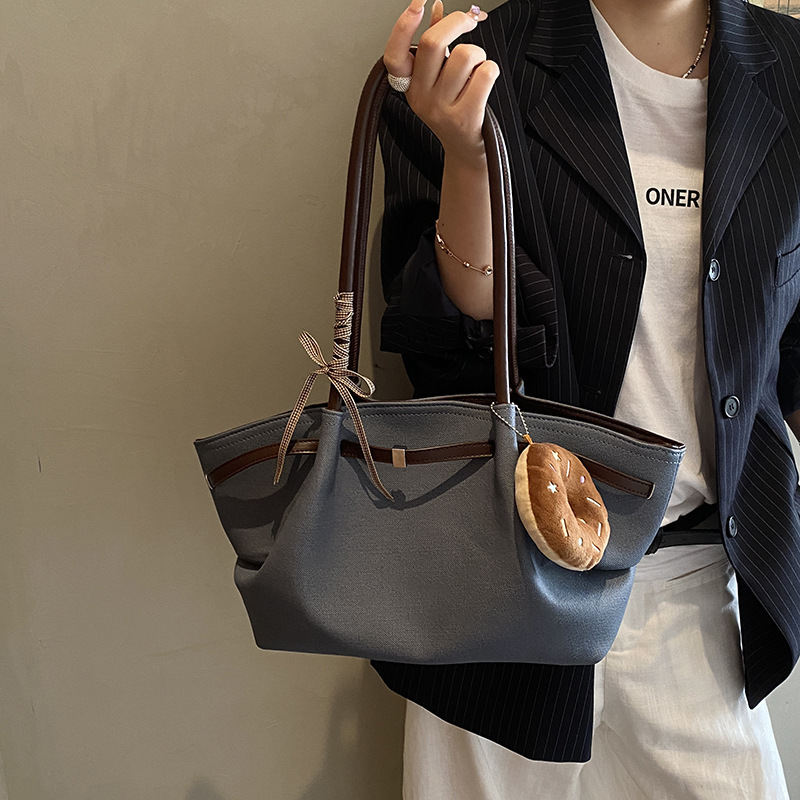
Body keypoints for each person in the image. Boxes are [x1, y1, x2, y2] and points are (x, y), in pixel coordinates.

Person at [375, 0, 800, 796]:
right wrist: (469, 164)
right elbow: (440, 359)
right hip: (498, 589)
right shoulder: (478, 63)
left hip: (696, 589)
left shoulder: (788, 68)